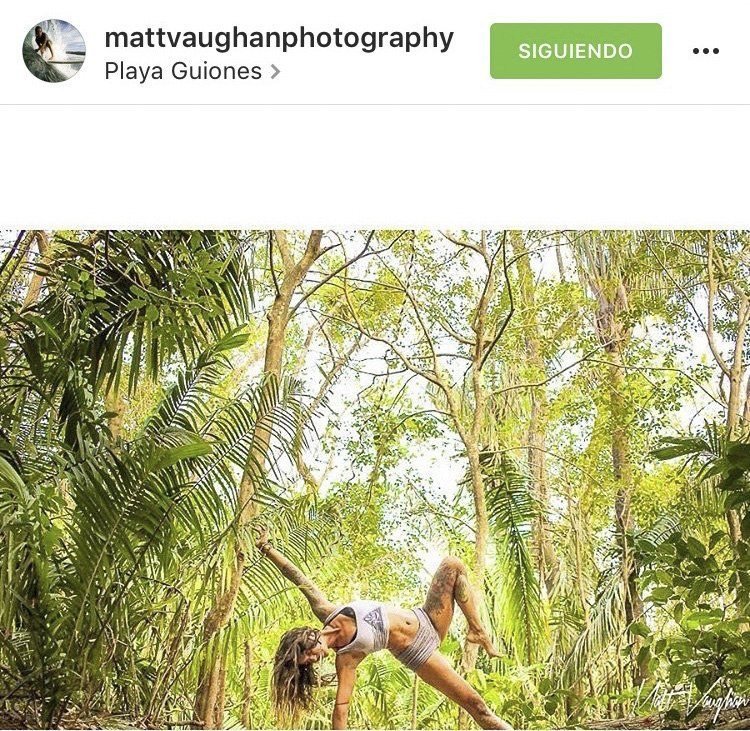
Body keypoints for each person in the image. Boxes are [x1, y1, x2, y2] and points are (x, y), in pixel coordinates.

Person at [255, 528, 513, 730]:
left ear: (305, 639)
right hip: (419, 652)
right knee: (477, 706)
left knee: (452, 565)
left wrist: (266, 547)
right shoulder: (346, 658)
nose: (314, 659)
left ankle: (476, 630)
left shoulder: (326, 610)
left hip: (426, 618)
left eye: (308, 655)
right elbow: (341, 709)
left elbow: (297, 576)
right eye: (309, 663)